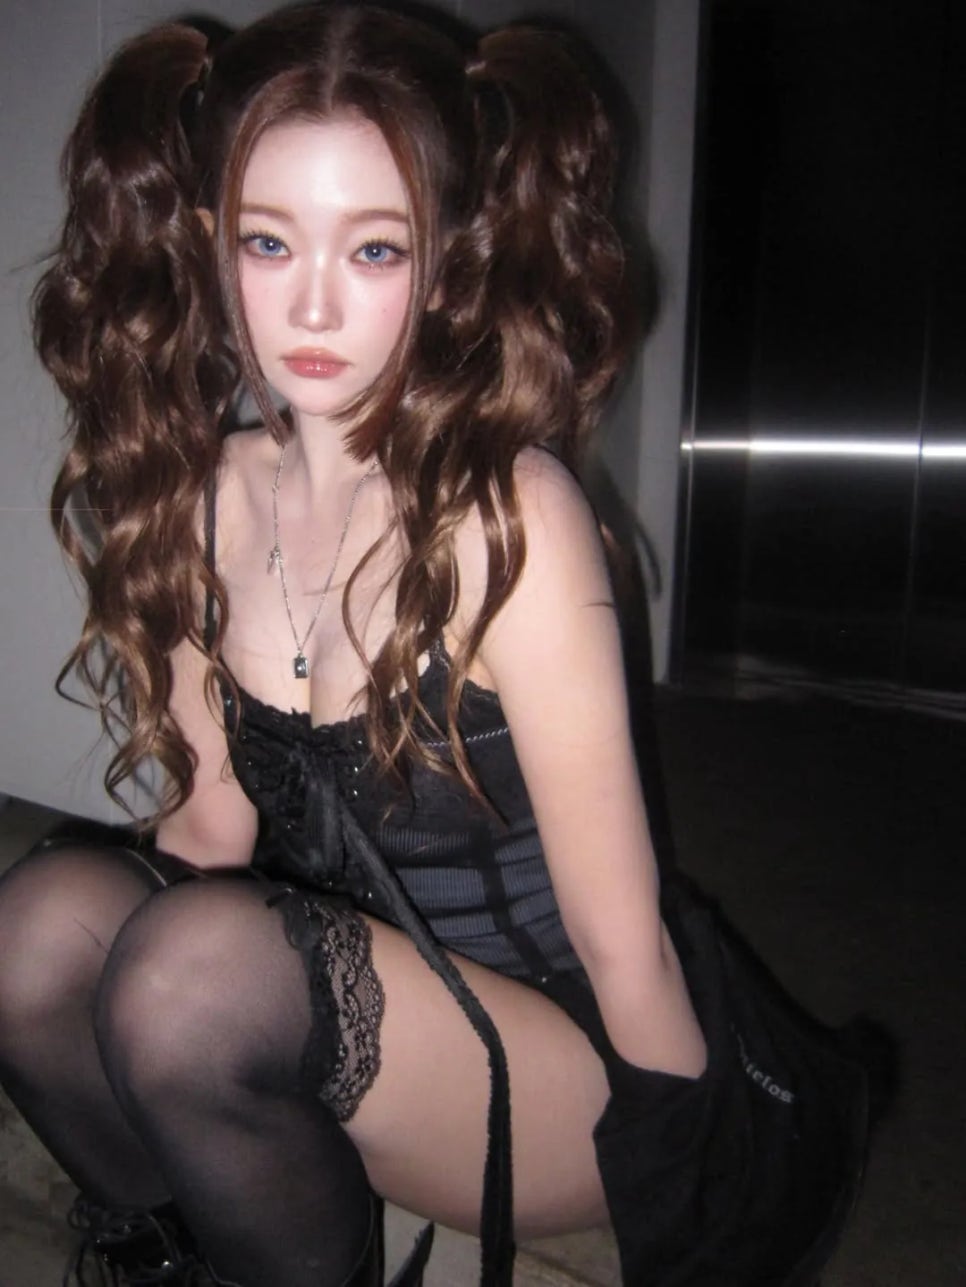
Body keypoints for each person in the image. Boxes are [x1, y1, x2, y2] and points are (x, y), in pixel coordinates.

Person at [0, 4, 869, 1285]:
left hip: (556, 1047)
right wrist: (109, 979)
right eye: (267, 241)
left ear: (449, 258)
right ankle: (169, 1238)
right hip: (331, 985)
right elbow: (210, 835)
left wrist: (704, 1189)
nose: (311, 303)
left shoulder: (510, 517)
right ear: (209, 244)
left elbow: (622, 941)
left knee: (191, 985)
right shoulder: (205, 501)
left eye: (374, 249)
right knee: (36, 933)